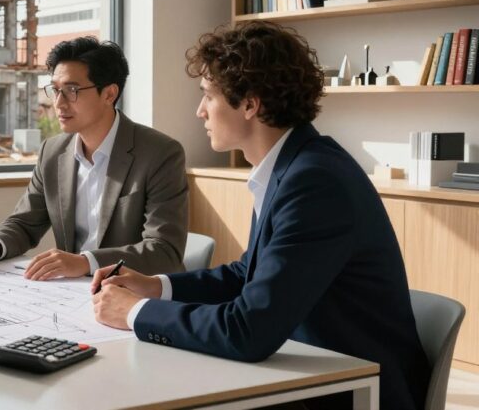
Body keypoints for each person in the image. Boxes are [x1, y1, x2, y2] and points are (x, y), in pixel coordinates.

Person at [91, 21, 429, 410]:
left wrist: (135, 312)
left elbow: (247, 331)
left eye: (207, 96)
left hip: (351, 393)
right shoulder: (294, 166)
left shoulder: (314, 182)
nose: (199, 111)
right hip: (304, 375)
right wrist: (156, 287)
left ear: (250, 104)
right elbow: (248, 274)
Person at [0, 36, 188, 280]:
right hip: (73, 292)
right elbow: (25, 224)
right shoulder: (53, 151)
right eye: (56, 90)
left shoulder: (160, 154)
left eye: (72, 90)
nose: (59, 103)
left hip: (133, 292)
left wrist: (85, 262)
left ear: (109, 94)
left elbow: (164, 251)